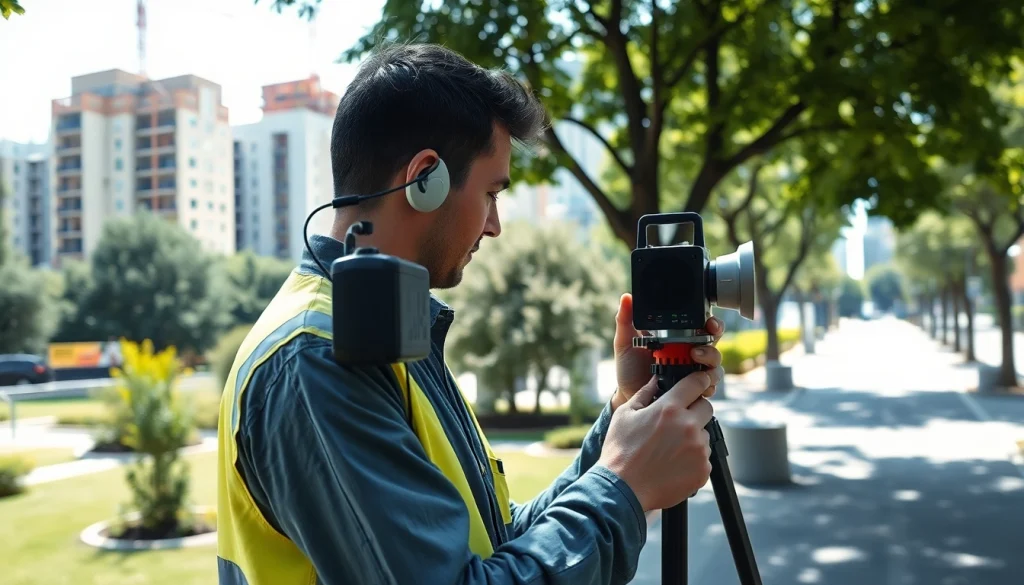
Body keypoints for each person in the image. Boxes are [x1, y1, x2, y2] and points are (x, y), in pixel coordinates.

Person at [215, 42, 726, 585]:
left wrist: (625, 420)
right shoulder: (316, 359)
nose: (494, 225)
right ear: (424, 180)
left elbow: (498, 543)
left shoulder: (389, 329)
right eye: (491, 193)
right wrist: (623, 486)